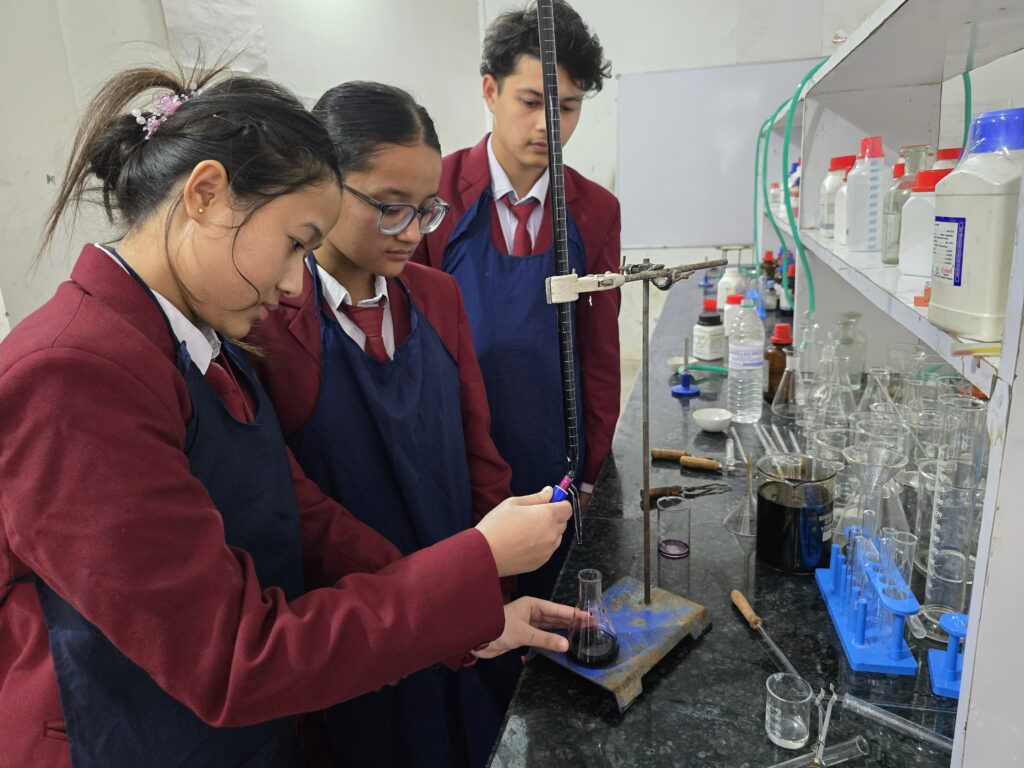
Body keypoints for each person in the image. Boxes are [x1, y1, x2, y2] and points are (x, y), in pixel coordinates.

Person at [0, 63, 578, 768]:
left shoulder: (201, 335)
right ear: (206, 194)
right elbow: (233, 658)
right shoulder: (71, 374)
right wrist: (479, 559)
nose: (289, 282)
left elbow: (300, 514)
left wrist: (472, 608)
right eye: (296, 243)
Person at [250, 81, 518, 768]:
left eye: (426, 210)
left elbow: (479, 454)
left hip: (462, 610)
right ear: (323, 187)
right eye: (390, 208)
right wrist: (422, 602)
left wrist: (487, 588)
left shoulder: (437, 296)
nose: (413, 233)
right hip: (360, 625)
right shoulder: (267, 326)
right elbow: (296, 512)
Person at [414, 0, 621, 600]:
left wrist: (589, 474)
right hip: (454, 449)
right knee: (471, 609)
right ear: (490, 90)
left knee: (552, 608)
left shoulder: (596, 210)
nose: (548, 126)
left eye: (568, 107)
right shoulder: (433, 194)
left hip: (555, 451)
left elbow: (600, 354)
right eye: (531, 102)